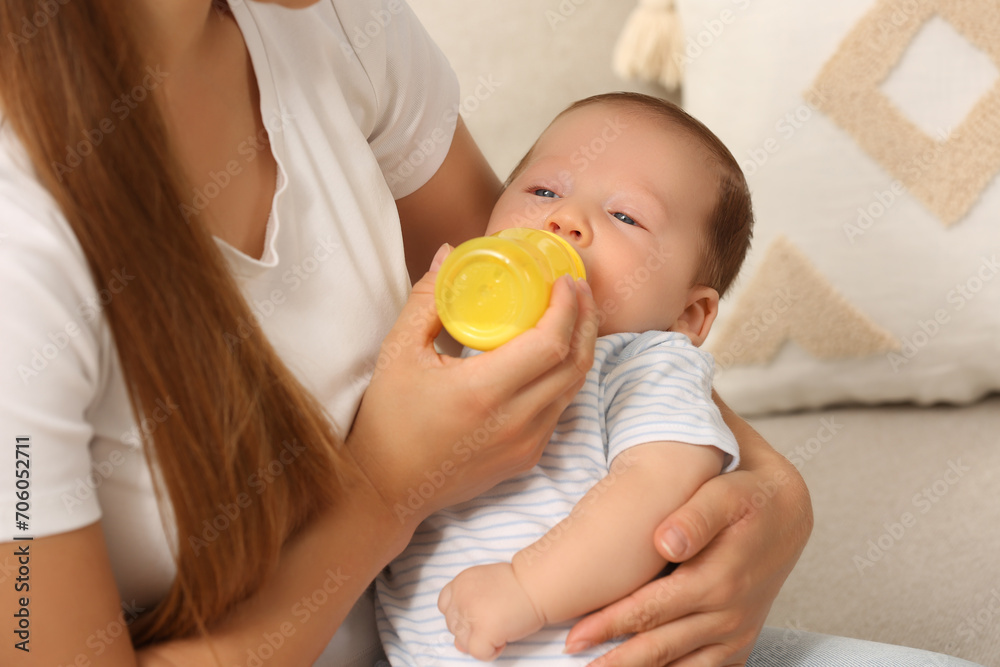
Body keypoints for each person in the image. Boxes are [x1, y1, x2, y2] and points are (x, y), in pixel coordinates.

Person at [1, 1, 968, 666]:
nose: (564, 217)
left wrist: (771, 490)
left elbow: (578, 312)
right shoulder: (23, 245)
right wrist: (389, 485)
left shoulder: (326, 23)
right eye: (547, 190)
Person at [375, 92, 748, 665]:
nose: (564, 219)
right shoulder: (441, 346)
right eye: (544, 191)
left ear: (688, 316)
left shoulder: (645, 362)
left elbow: (654, 493)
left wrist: (529, 586)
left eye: (625, 217)